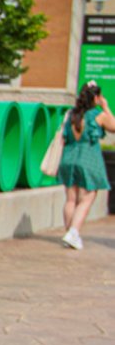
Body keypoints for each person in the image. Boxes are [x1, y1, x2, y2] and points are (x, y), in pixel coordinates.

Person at [58, 81, 114, 250]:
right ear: (96, 98)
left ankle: (70, 234)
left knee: (71, 198)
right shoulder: (98, 115)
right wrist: (106, 107)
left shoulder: (71, 115)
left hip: (68, 157)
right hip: (87, 158)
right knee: (88, 197)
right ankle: (73, 232)